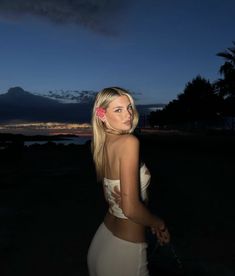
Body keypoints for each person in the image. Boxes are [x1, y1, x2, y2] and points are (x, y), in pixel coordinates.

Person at [87, 87, 170, 276]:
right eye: (118, 110)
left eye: (129, 107)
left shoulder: (101, 144)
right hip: (125, 250)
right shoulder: (128, 142)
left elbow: (111, 196)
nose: (128, 115)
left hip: (102, 241)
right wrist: (158, 223)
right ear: (102, 114)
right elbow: (131, 209)